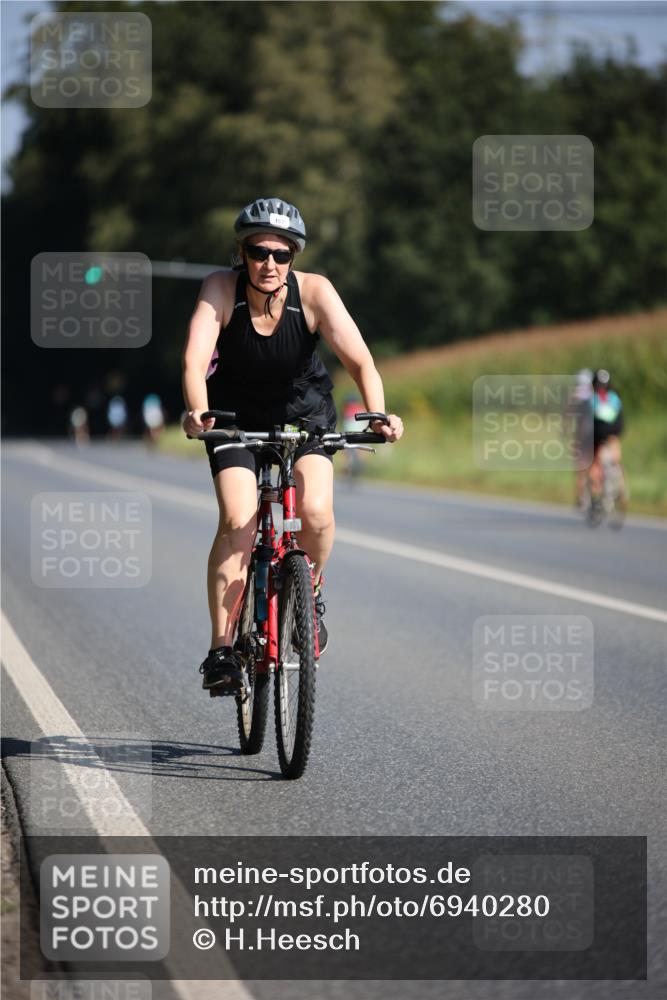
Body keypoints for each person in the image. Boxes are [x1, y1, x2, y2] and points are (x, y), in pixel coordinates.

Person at [181, 197, 404, 693]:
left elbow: (362, 362)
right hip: (233, 420)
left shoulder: (316, 293)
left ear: (293, 258)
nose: (270, 264)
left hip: (306, 418)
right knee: (239, 522)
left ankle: (310, 591)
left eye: (282, 255)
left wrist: (379, 413)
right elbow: (195, 362)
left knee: (317, 513)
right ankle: (222, 649)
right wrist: (199, 412)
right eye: (259, 251)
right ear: (242, 251)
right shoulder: (221, 288)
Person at [588, 368, 625, 504]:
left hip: (598, 432)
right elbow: (621, 418)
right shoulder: (615, 397)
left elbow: (585, 421)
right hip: (615, 431)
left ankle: (596, 493)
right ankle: (622, 486)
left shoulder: (592, 399)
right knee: (616, 459)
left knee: (594, 463)